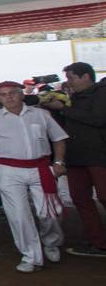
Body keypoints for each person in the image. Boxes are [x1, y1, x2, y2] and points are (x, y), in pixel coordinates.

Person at [0, 82, 68, 272]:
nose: (8, 97)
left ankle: (51, 242)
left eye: (12, 93)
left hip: (40, 168)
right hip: (9, 170)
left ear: (21, 95)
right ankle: (31, 256)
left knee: (49, 213)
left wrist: (58, 162)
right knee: (18, 215)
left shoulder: (41, 115)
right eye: (3, 95)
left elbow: (58, 138)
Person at [42, 63, 106, 257]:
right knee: (80, 199)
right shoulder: (73, 97)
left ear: (85, 76)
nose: (67, 82)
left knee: (104, 197)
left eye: (71, 77)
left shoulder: (102, 93)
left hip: (99, 155)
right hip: (76, 156)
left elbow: (99, 119)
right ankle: (98, 243)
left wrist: (63, 109)